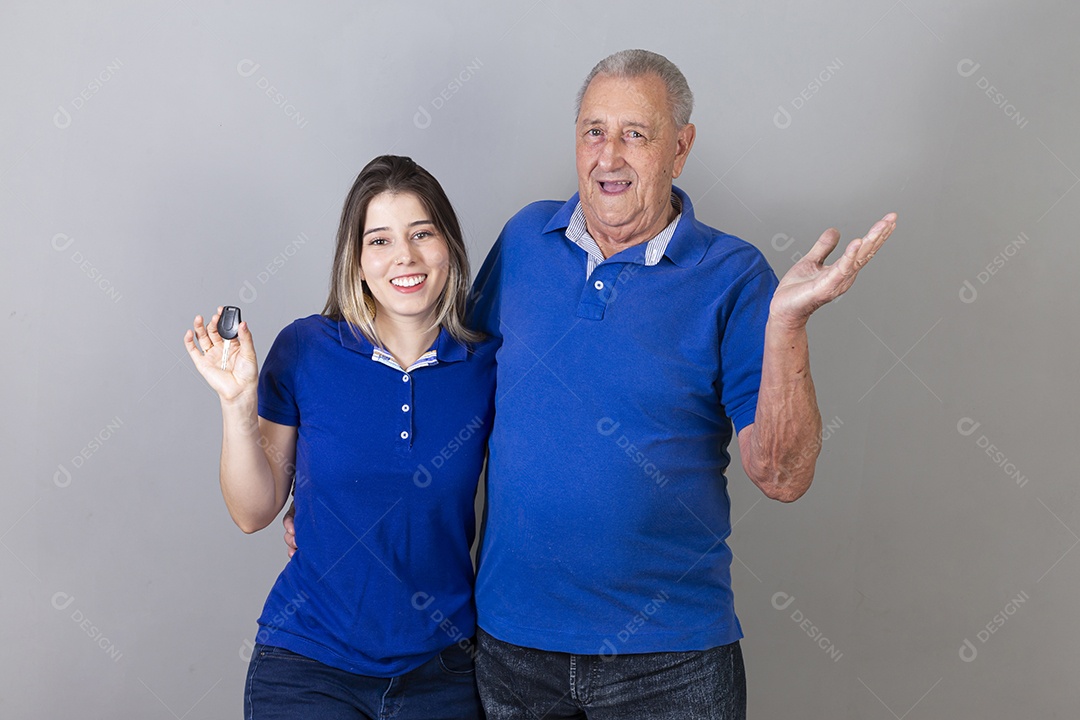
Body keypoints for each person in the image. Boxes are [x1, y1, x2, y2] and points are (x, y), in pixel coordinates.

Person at [286, 50, 896, 718]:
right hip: (511, 651)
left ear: (681, 149)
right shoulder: (525, 241)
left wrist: (786, 326)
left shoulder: (735, 278)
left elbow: (783, 476)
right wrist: (338, 493)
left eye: (636, 134)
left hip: (670, 662)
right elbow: (443, 374)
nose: (609, 156)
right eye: (593, 131)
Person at [185, 155, 496, 720]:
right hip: (308, 668)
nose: (404, 256)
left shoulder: (487, 365)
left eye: (421, 233)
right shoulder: (306, 348)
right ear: (355, 259)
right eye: (379, 240)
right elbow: (254, 511)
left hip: (443, 671)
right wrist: (236, 405)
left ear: (448, 243)